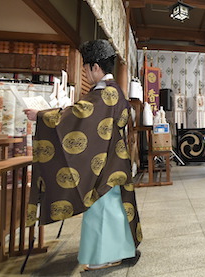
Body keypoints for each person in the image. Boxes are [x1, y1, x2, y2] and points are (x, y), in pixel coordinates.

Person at [24, 39, 141, 271]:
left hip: (105, 164)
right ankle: (122, 249)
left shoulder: (104, 94)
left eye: (86, 69)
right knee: (113, 207)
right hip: (113, 160)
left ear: (95, 67)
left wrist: (41, 115)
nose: (86, 74)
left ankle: (106, 255)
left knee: (103, 208)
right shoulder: (114, 91)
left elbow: (78, 116)